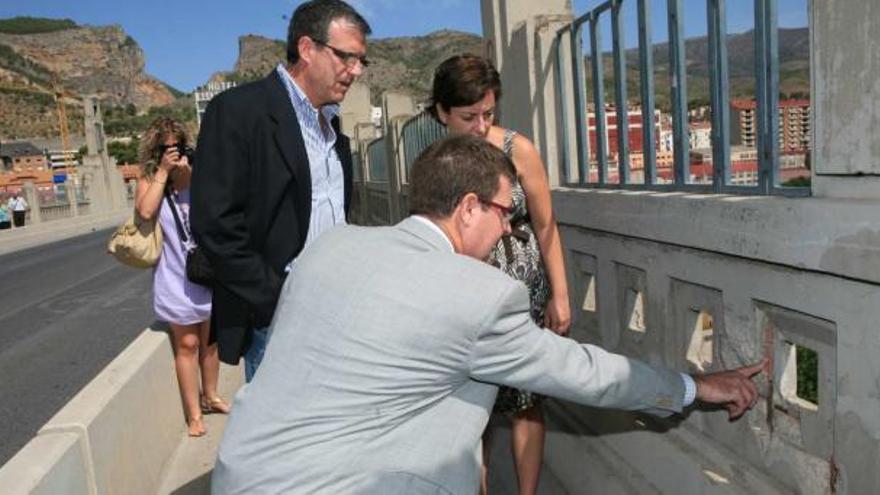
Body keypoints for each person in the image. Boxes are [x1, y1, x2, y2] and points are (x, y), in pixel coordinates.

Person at [212, 135, 764, 494]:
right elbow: (584, 373)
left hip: (241, 476)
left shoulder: (329, 249)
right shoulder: (478, 293)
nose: (510, 227)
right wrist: (694, 387)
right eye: (506, 210)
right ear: (469, 207)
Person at [191, 0, 370, 381]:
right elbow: (215, 226)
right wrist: (280, 299)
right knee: (287, 439)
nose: (355, 71)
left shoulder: (332, 129)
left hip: (336, 311)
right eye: (346, 58)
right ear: (307, 49)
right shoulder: (239, 112)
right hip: (277, 324)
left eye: (360, 61)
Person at [431, 53, 568, 494]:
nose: (479, 125)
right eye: (468, 116)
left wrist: (560, 295)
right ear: (441, 113)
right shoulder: (437, 163)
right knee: (474, 406)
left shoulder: (518, 150)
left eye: (488, 113)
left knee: (527, 401)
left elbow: (546, 226)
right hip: (464, 298)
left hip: (522, 294)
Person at [135, 117, 229, 437]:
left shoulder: (197, 175)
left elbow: (219, 208)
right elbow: (145, 213)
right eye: (166, 148)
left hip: (206, 272)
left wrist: (193, 178)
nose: (173, 153)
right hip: (174, 275)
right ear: (155, 150)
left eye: (178, 146)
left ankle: (212, 395)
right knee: (187, 343)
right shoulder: (149, 179)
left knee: (211, 343)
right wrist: (163, 172)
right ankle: (194, 415)